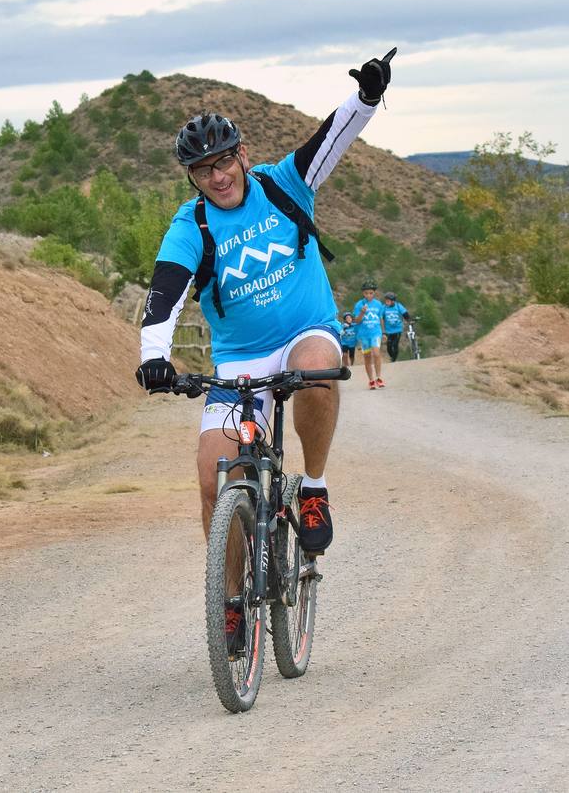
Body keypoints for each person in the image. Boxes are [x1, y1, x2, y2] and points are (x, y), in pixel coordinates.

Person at [135, 48, 397, 654]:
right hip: (240, 361)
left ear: (243, 156)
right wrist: (155, 355)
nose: (218, 176)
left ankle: (313, 487)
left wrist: (367, 97)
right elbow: (165, 292)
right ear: (193, 178)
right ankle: (230, 603)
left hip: (307, 330)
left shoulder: (284, 186)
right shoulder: (191, 225)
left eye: (225, 161)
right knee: (211, 476)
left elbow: (331, 138)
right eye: (204, 171)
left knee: (313, 373)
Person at [349, 279, 385, 388]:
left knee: (376, 353)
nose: (368, 295)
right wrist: (362, 312)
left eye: (371, 293)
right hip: (364, 335)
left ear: (374, 293)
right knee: (367, 357)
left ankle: (379, 377)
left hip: (376, 333)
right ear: (362, 293)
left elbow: (381, 319)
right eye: (366, 293)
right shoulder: (359, 304)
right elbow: (357, 321)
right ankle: (371, 380)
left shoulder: (378, 304)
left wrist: (384, 333)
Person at [381, 291, 411, 362]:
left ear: (393, 301)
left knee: (395, 345)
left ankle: (393, 361)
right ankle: (393, 358)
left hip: (397, 329)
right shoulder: (384, 307)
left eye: (388, 301)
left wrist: (409, 320)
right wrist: (383, 330)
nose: (386, 302)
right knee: (389, 347)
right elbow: (380, 317)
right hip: (388, 330)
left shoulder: (398, 306)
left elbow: (405, 314)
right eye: (386, 300)